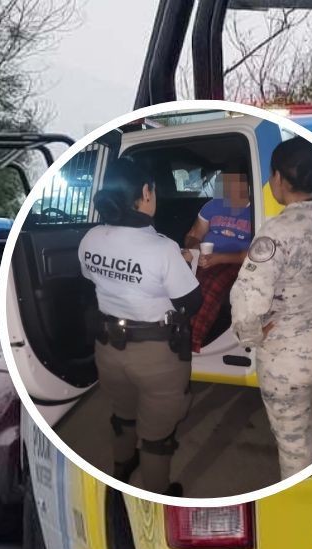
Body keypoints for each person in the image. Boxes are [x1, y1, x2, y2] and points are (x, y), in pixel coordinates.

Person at [231, 137, 312, 480]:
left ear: (281, 179)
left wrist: (253, 337)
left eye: (271, 175)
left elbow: (246, 304)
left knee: (294, 444)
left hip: (287, 358)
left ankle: (303, 512)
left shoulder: (275, 233)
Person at [79, 157, 202, 496]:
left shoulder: (91, 238)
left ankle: (121, 468)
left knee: (123, 414)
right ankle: (154, 494)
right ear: (146, 193)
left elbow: (94, 278)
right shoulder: (162, 249)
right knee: (157, 435)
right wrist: (185, 264)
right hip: (156, 355)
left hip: (108, 348)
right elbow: (190, 303)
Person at [181, 170, 253, 351]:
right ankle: (171, 330)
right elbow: (193, 235)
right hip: (206, 258)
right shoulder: (213, 206)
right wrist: (195, 249)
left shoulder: (254, 211)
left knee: (210, 284)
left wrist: (219, 258)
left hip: (236, 261)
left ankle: (190, 341)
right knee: (176, 275)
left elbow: (255, 253)